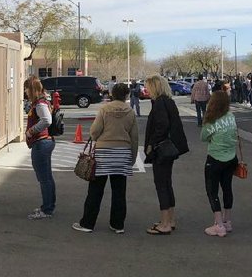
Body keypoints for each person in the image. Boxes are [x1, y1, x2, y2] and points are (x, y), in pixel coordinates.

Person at [73, 82, 138, 233]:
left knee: (95, 190)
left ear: (112, 94)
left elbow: (94, 131)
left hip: (103, 153)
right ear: (127, 95)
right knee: (119, 191)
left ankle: (87, 223)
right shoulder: (130, 111)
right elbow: (134, 137)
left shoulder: (104, 109)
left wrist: (97, 136)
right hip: (122, 153)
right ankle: (117, 224)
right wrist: (132, 158)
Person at [144, 75, 189, 235]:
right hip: (170, 149)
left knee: (161, 185)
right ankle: (170, 219)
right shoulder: (169, 101)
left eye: (148, 87)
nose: (146, 90)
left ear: (155, 87)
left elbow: (162, 126)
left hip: (162, 149)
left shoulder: (160, 103)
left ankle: (165, 224)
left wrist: (152, 144)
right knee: (167, 183)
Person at [199, 91, 238, 237]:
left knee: (212, 190)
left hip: (215, 158)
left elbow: (203, 137)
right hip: (231, 157)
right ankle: (227, 221)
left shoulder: (211, 120)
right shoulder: (231, 117)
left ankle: (218, 224)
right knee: (227, 188)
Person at [24, 76, 56, 219]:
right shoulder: (42, 101)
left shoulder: (40, 104)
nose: (25, 92)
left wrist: (32, 131)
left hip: (41, 143)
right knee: (46, 177)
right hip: (43, 142)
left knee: (44, 178)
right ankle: (48, 206)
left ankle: (47, 209)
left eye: (26, 89)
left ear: (32, 89)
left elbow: (46, 120)